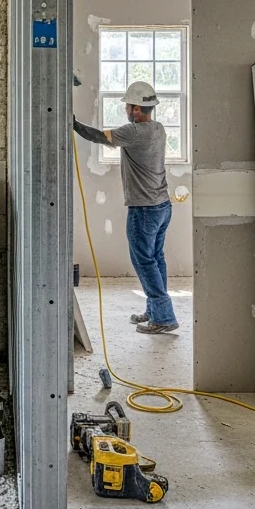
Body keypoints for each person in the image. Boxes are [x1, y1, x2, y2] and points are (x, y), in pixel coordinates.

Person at [73, 81, 178, 335]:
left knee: (143, 261)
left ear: (135, 109)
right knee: (156, 259)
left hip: (144, 209)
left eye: (127, 106)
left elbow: (96, 136)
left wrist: (72, 122)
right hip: (162, 205)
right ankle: (155, 310)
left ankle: (163, 317)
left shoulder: (134, 132)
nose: (126, 111)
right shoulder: (158, 128)